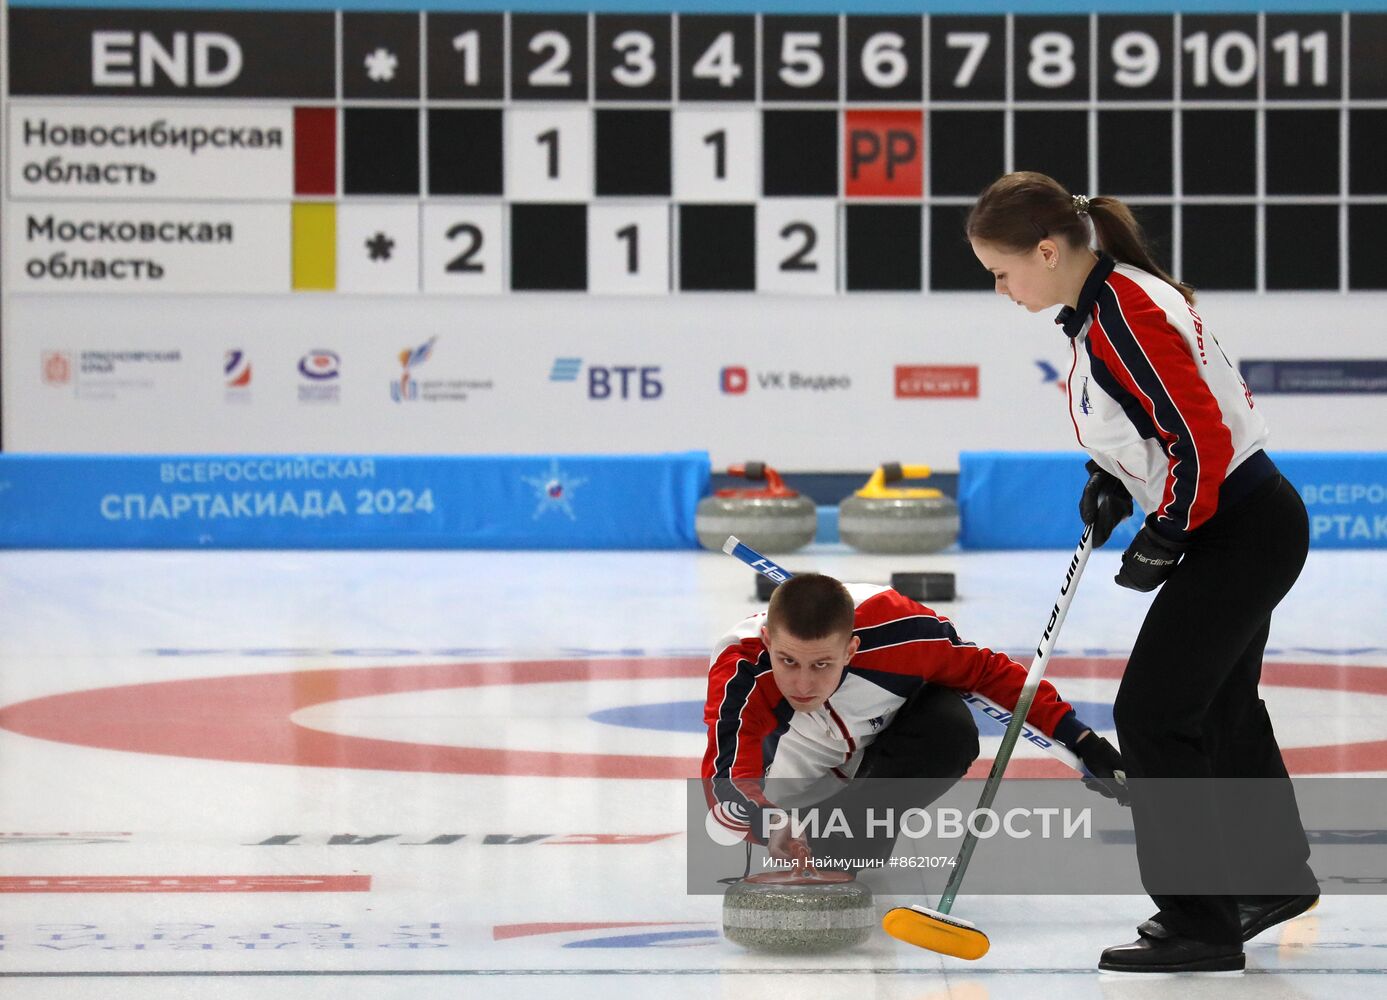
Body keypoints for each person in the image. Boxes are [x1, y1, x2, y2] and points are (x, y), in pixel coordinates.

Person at [966, 171, 1319, 974]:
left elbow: (1199, 437)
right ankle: (1269, 880)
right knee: (1213, 706)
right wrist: (1117, 482)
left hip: (1238, 527)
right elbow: (1161, 427)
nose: (1001, 289)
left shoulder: (1122, 309)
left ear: (1047, 251)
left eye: (1000, 271)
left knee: (1155, 712)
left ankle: (1198, 921)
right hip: (1241, 522)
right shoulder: (1108, 301)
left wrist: (1166, 528)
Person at [701, 572, 1127, 877]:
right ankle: (815, 832)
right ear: (769, 643)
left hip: (874, 748)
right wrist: (771, 824)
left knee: (948, 727)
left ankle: (846, 838)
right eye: (788, 661)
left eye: (822, 664)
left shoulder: (905, 634)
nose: (803, 683)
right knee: (738, 821)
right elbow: (726, 783)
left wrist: (1082, 740)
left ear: (851, 649)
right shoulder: (740, 670)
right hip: (790, 784)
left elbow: (991, 675)